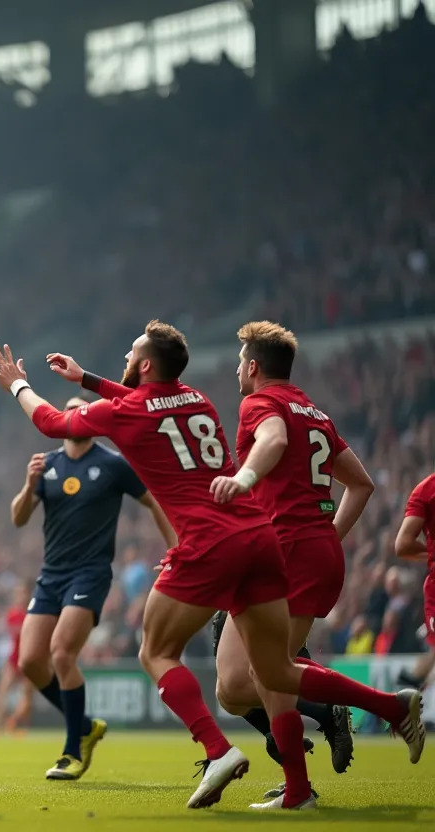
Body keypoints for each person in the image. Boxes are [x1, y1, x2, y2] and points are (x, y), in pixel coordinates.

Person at [0, 322, 424, 811]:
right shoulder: (198, 399)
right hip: (259, 538)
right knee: (273, 671)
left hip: (210, 543)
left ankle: (217, 751)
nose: (126, 360)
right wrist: (86, 379)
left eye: (131, 353)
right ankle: (388, 707)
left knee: (155, 652)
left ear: (145, 365)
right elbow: (147, 406)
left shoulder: (172, 408)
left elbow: (51, 422)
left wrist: (17, 386)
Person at [208, 322, 366, 796]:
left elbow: (273, 440)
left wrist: (245, 478)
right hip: (307, 552)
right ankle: (324, 715)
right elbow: (362, 484)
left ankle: (300, 786)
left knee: (264, 676)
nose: (238, 369)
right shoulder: (313, 412)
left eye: (240, 362)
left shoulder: (261, 404)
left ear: (253, 366)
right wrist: (329, 537)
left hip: (287, 554)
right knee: (234, 687)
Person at [9, 396, 176, 780]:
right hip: (51, 575)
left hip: (91, 574)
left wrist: (175, 548)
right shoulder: (47, 465)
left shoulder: (113, 464)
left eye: (83, 411)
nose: (76, 417)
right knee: (31, 662)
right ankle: (84, 725)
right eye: (70, 411)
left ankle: (72, 751)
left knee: (62, 653)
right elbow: (19, 518)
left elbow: (156, 502)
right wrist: (29, 483)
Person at [396, 473, 435, 690]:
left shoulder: (426, 490)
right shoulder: (427, 491)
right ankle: (404, 697)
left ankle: (402, 700)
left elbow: (403, 545)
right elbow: (402, 545)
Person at [0, 584, 32, 739]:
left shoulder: (36, 614)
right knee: (2, 693)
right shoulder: (13, 614)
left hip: (30, 660)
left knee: (27, 696)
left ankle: (16, 724)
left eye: (22, 593)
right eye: (18, 593)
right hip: (14, 660)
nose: (20, 596)